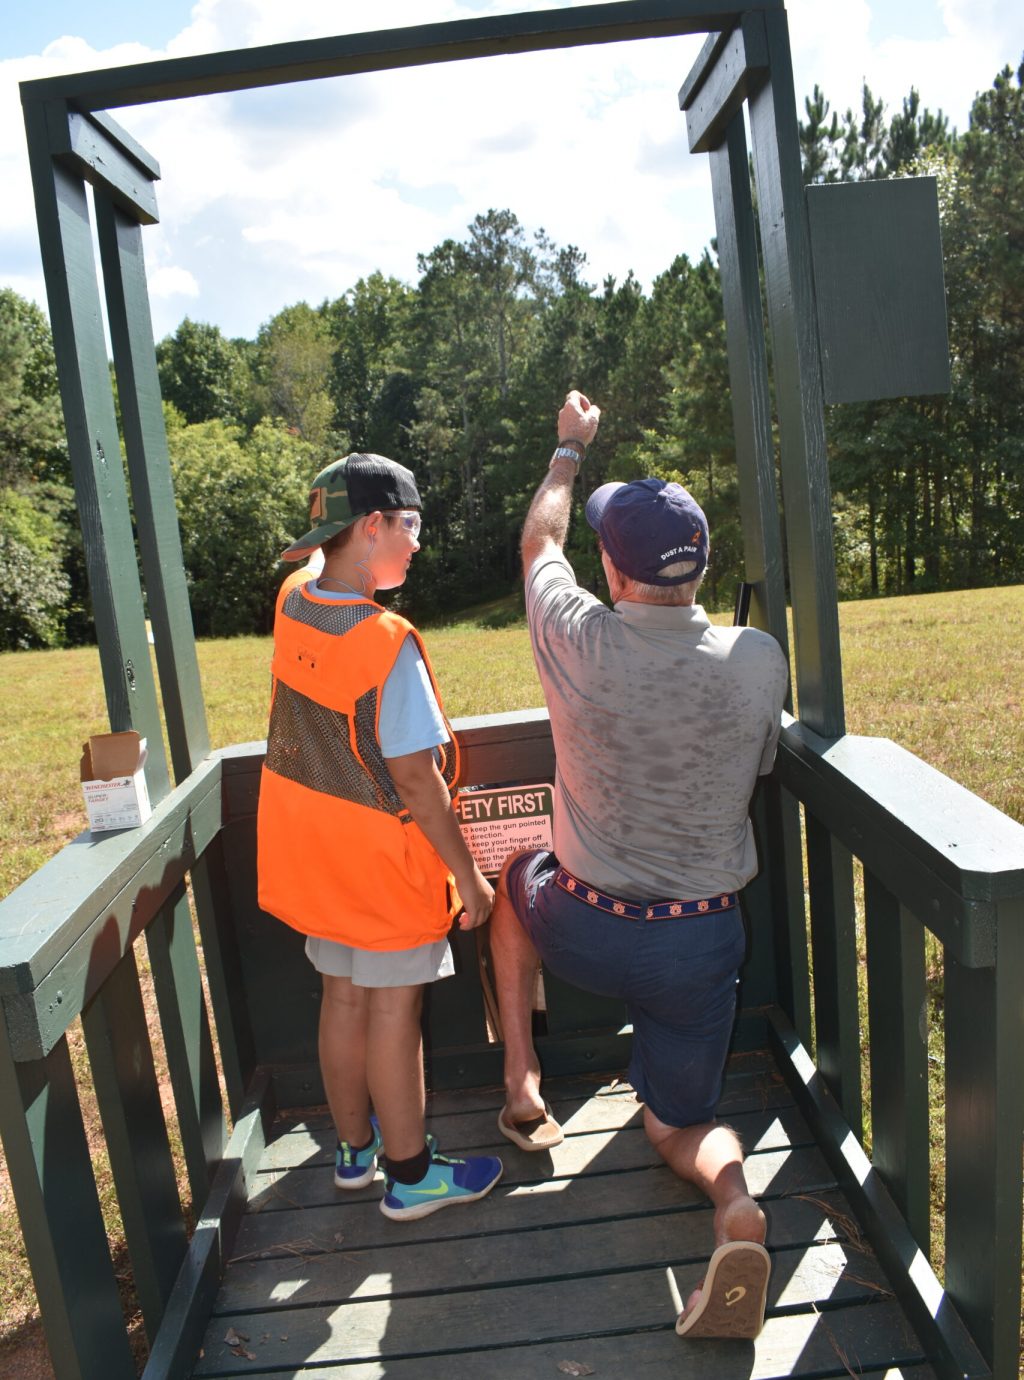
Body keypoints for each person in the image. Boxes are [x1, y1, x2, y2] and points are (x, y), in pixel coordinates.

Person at [488, 392, 789, 1337]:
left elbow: (539, 545)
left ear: (611, 568)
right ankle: (733, 1202)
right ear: (698, 565)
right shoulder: (757, 659)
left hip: (576, 921)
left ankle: (523, 1082)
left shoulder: (575, 632)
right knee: (679, 1127)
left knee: (512, 880)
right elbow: (763, 760)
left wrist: (568, 451)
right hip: (697, 944)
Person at [257, 452, 502, 1221]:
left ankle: (355, 1153)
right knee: (394, 1013)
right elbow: (418, 784)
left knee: (341, 999)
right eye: (411, 525)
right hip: (382, 866)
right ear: (371, 527)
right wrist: (470, 879)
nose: (418, 543)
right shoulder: (386, 643)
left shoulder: (294, 600)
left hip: (313, 857)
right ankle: (410, 1174)